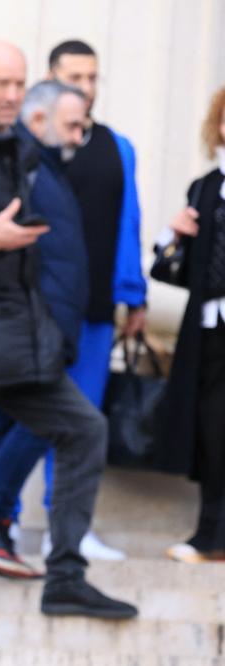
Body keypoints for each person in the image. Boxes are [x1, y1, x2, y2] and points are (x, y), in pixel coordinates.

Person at [0, 40, 138, 648]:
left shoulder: (14, 142)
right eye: (2, 84)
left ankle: (65, 577)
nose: (13, 95)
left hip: (20, 341)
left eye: (19, 84)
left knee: (85, 430)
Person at [0, 39, 148, 564]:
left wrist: (133, 293)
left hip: (92, 309)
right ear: (50, 82)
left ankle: (63, 527)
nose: (87, 88)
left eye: (93, 78)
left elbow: (128, 221)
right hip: (30, 309)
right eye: (76, 78)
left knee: (80, 416)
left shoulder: (116, 146)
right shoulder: (25, 143)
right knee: (14, 421)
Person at [0, 80, 90, 576]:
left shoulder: (44, 166)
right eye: (72, 125)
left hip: (37, 328)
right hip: (30, 329)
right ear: (39, 121)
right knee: (41, 427)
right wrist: (49, 327)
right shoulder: (25, 165)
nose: (79, 137)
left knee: (16, 428)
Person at [152, 85, 225, 564]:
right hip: (209, 329)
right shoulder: (205, 188)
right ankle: (211, 534)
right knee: (211, 430)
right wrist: (172, 235)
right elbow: (169, 268)